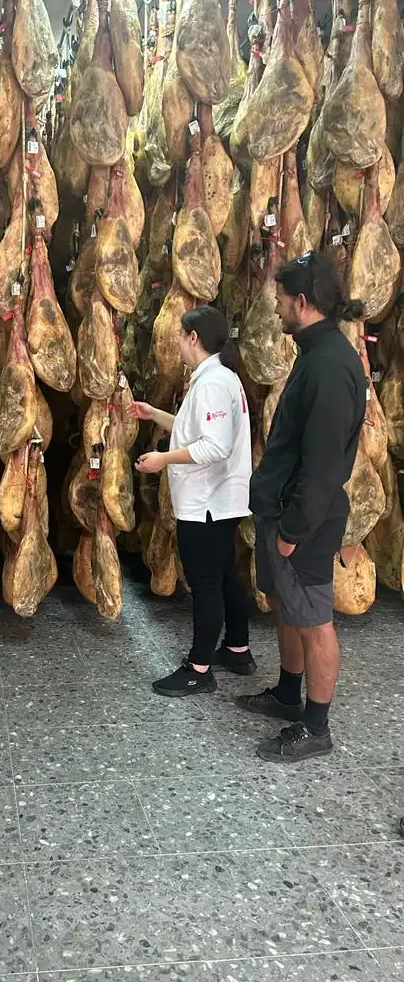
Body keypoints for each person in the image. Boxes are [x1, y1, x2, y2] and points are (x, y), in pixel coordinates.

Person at [238, 252, 366, 764]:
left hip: (304, 521)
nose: (276, 311)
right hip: (285, 513)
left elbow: (325, 465)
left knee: (314, 622)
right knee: (288, 612)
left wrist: (292, 530)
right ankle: (289, 692)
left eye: (281, 302)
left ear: (303, 302)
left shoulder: (332, 366)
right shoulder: (315, 355)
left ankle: (316, 726)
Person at [131, 305, 254, 697]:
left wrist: (162, 460)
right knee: (225, 576)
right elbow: (193, 430)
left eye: (180, 337)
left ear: (193, 338)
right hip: (217, 500)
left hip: (208, 502)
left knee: (205, 585)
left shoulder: (214, 382)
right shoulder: (216, 378)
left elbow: (214, 446)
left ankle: (198, 669)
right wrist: (155, 415)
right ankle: (238, 649)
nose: (177, 344)